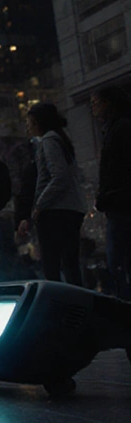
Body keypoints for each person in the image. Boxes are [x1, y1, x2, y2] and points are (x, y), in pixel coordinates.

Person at [19, 102, 87, 286]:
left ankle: (58, 307)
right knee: (71, 264)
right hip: (71, 209)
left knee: (52, 266)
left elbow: (59, 176)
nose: (28, 125)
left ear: (38, 122)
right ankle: (78, 306)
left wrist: (40, 205)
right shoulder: (61, 140)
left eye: (30, 121)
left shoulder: (48, 141)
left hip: (55, 211)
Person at [92, 86, 131, 299]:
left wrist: (106, 195)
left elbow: (115, 170)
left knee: (117, 258)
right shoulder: (116, 127)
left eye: (95, 103)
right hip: (118, 201)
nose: (93, 108)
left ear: (107, 103)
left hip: (121, 202)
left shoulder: (120, 128)